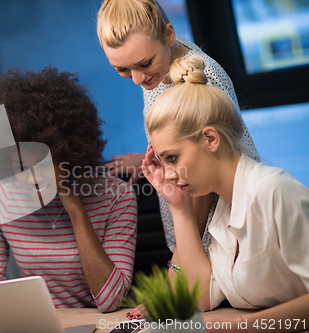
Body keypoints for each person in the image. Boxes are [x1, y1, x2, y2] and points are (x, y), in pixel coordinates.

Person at [96, 0, 260, 286]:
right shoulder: (166, 59)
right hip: (193, 223)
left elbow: (201, 187)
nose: (136, 79)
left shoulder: (198, 79)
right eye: (122, 69)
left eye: (143, 64)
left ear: (169, 34)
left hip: (221, 225)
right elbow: (177, 132)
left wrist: (176, 272)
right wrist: (156, 153)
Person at [140, 55, 309, 332]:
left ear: (210, 139)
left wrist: (233, 327)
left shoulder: (273, 190)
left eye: (172, 158)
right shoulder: (222, 209)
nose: (168, 173)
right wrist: (179, 208)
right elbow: (199, 299)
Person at [0, 67, 138, 313]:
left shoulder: (117, 196)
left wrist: (76, 210)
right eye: (21, 167)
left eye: (44, 164)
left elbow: (111, 301)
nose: (33, 178)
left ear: (72, 153)